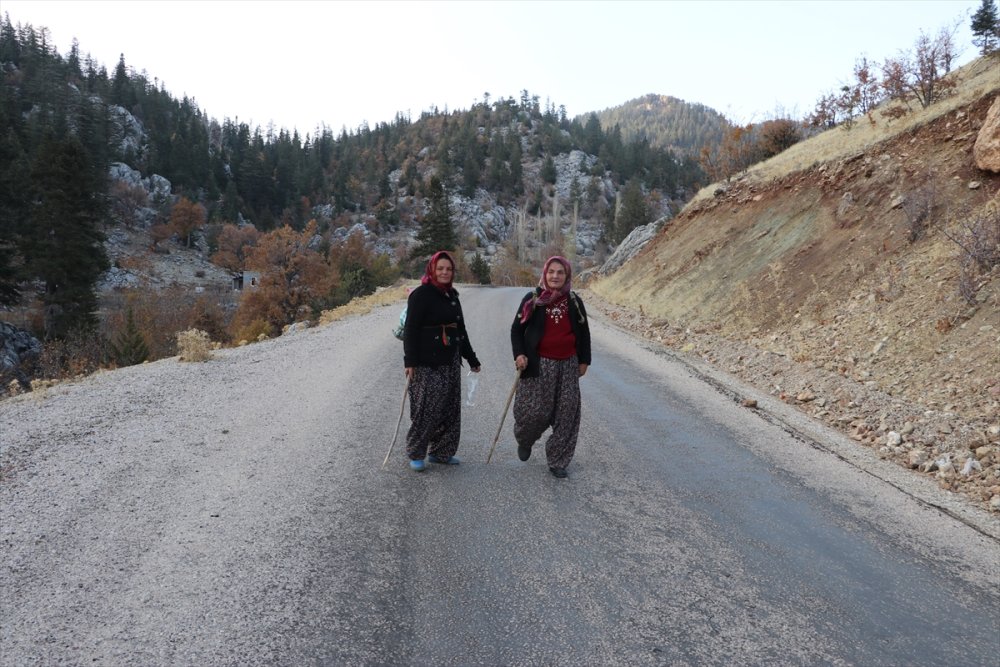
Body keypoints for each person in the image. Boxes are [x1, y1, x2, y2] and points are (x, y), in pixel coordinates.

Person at [510, 256, 591, 479]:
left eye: (560, 272)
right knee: (533, 412)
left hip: (568, 364)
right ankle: (525, 439)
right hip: (539, 364)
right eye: (551, 272)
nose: (555, 276)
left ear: (566, 276)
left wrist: (584, 360)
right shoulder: (533, 299)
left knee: (567, 413)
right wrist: (519, 354)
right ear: (545, 274)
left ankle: (558, 460)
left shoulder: (574, 301)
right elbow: (516, 330)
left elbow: (584, 333)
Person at [403, 250, 481, 471]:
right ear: (432, 270)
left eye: (449, 269)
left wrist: (472, 358)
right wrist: (410, 362)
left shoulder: (452, 297)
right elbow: (410, 330)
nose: (445, 272)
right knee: (426, 408)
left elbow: (461, 331)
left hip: (450, 360)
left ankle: (442, 452)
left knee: (449, 408)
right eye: (441, 269)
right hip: (426, 362)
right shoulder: (420, 295)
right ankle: (416, 452)